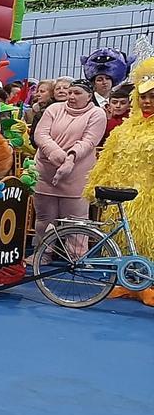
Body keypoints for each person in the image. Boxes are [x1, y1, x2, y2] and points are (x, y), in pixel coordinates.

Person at [84, 58, 154, 305]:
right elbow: (106, 159)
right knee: (122, 239)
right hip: (120, 194)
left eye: (152, 97)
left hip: (149, 197)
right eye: (143, 97)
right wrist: (95, 185)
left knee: (148, 240)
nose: (146, 102)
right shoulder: (122, 129)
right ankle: (126, 284)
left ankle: (146, 285)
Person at [31, 79, 106, 252]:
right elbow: (40, 134)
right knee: (44, 219)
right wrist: (55, 153)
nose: (71, 96)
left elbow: (88, 141)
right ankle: (42, 254)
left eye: (77, 93)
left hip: (77, 174)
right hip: (45, 171)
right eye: (70, 92)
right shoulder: (53, 109)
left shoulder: (97, 114)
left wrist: (70, 158)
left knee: (76, 220)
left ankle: (76, 257)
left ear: (89, 96)